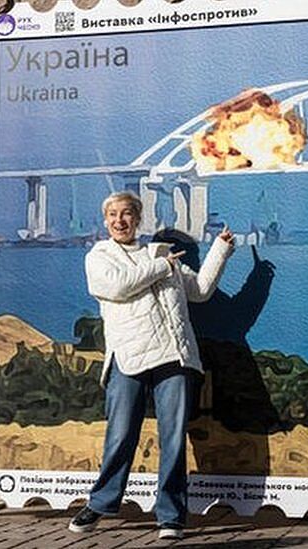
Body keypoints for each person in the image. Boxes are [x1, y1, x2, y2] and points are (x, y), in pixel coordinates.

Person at [68, 191, 234, 540]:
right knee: (120, 435)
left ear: (138, 218)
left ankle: (171, 516)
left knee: (173, 439)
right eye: (113, 215)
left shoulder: (161, 253)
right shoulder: (100, 256)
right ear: (105, 221)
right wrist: (162, 266)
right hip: (128, 356)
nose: (119, 221)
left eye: (127, 213)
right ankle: (100, 503)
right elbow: (118, 287)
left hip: (173, 354)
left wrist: (220, 249)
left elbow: (200, 290)